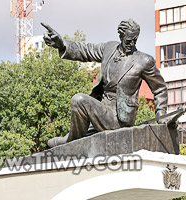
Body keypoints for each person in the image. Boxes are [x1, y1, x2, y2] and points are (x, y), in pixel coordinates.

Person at [42, 19, 168, 147]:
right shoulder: (109, 48)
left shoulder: (144, 61)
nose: (132, 43)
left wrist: (161, 114)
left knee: (79, 100)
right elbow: (85, 50)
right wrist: (62, 44)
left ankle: (70, 141)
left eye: (135, 40)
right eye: (128, 40)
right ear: (121, 36)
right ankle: (73, 139)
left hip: (119, 117)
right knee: (85, 134)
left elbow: (160, 89)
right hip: (101, 110)